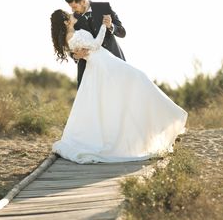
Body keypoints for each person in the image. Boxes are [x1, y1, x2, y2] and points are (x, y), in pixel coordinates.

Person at [49, 9, 187, 164]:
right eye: (69, 15)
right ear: (66, 22)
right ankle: (163, 122)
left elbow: (85, 48)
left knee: (128, 89)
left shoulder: (76, 32)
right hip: (103, 65)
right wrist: (103, 26)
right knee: (137, 79)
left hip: (104, 62)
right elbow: (94, 45)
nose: (73, 15)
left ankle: (156, 126)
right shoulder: (72, 36)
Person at [64, 0, 126, 89]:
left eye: (74, 7)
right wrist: (75, 55)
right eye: (71, 7)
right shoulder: (72, 19)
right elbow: (68, 43)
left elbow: (122, 32)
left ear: (83, 2)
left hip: (112, 64)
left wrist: (111, 25)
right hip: (88, 71)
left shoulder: (104, 7)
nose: (72, 11)